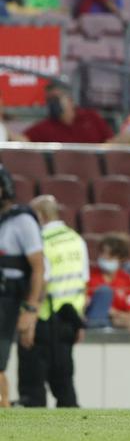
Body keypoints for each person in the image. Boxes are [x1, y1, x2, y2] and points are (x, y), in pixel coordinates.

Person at [17, 195, 88, 408]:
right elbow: (82, 283)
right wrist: (80, 323)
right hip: (69, 321)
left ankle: (33, 435)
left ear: (40, 215)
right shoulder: (76, 239)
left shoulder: (41, 241)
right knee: (65, 384)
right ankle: (74, 434)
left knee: (32, 386)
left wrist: (29, 321)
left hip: (43, 320)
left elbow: (42, 283)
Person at [0, 165, 43, 408]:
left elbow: (38, 268)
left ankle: (3, 407)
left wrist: (31, 308)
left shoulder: (21, 222)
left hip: (7, 299)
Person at [25, 83, 114, 143]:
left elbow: (110, 143)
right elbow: (23, 140)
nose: (52, 103)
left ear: (70, 100)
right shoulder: (45, 126)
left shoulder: (91, 117)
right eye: (49, 100)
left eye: (56, 99)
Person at [86, 233, 130, 332]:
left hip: (116, 321)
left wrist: (115, 315)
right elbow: (86, 303)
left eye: (109, 255)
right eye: (102, 253)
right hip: (94, 320)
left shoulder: (127, 279)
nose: (104, 257)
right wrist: (110, 311)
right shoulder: (89, 277)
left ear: (121, 258)